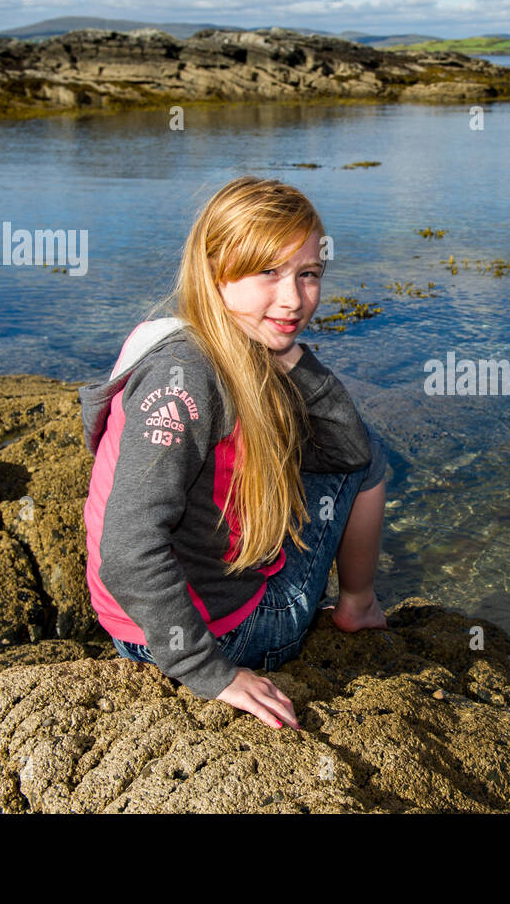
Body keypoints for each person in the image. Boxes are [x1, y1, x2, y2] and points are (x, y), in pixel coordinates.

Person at [78, 176, 389, 730]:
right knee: (371, 461)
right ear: (215, 270)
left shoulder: (172, 340)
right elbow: (126, 548)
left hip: (135, 622)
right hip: (218, 636)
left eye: (308, 274)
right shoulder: (190, 378)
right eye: (268, 272)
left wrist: (290, 354)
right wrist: (210, 670)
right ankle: (359, 605)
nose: (293, 299)